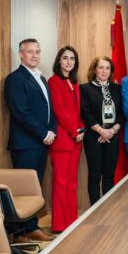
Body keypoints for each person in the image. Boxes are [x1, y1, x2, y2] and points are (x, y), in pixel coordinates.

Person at [4, 38, 57, 241]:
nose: (34, 55)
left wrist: (51, 131)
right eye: (30, 52)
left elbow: (49, 109)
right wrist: (44, 133)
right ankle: (19, 232)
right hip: (25, 143)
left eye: (37, 51)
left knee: (35, 187)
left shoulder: (41, 78)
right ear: (21, 54)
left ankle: (31, 228)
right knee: (24, 188)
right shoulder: (15, 79)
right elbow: (21, 112)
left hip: (42, 141)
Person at [48, 46, 84, 232]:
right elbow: (59, 110)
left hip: (76, 139)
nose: (69, 61)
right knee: (61, 182)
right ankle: (60, 224)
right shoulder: (54, 81)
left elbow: (78, 111)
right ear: (59, 61)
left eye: (72, 58)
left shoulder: (74, 82)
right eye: (65, 58)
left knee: (72, 181)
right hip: (63, 139)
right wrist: (74, 131)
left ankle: (71, 221)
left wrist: (81, 129)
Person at [80, 56, 123, 205]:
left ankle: (107, 208)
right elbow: (85, 113)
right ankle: (95, 210)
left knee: (109, 175)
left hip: (113, 136)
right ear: (95, 69)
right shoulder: (85, 88)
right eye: (101, 67)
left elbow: (122, 113)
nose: (104, 71)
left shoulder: (117, 89)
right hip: (93, 137)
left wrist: (111, 131)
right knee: (94, 175)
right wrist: (101, 131)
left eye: (107, 68)